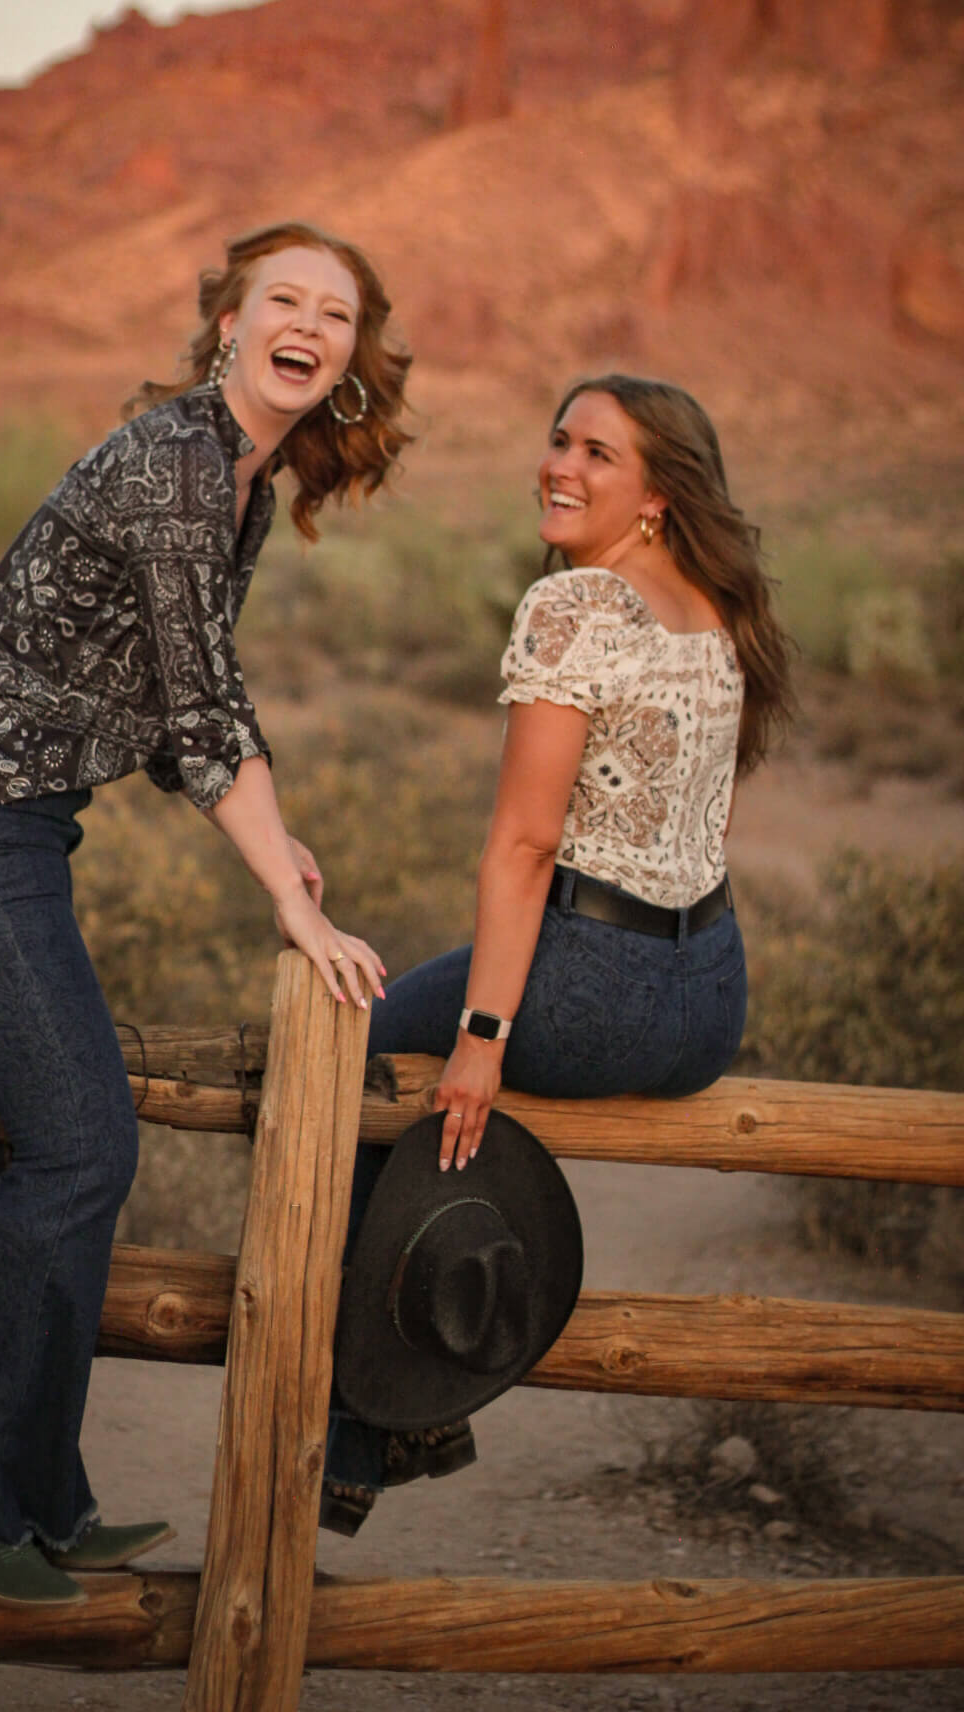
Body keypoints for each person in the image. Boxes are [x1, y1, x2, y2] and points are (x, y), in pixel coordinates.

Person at [0, 219, 412, 1606]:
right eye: (284, 298)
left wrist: (287, 844)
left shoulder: (244, 485)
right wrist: (289, 896)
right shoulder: (173, 467)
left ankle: (16, 1500)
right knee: (83, 1141)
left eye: (337, 314)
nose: (310, 323)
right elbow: (205, 716)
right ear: (226, 322)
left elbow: (170, 711)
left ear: (348, 360)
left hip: (8, 830)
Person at [321, 372, 793, 1535]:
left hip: (596, 993)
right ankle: (397, 1401)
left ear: (656, 496)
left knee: (355, 1049)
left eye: (596, 454)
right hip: (707, 1001)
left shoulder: (579, 607)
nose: (559, 467)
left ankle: (378, 1423)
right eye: (557, 440)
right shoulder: (717, 609)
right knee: (408, 1029)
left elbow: (526, 847)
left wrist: (480, 1041)